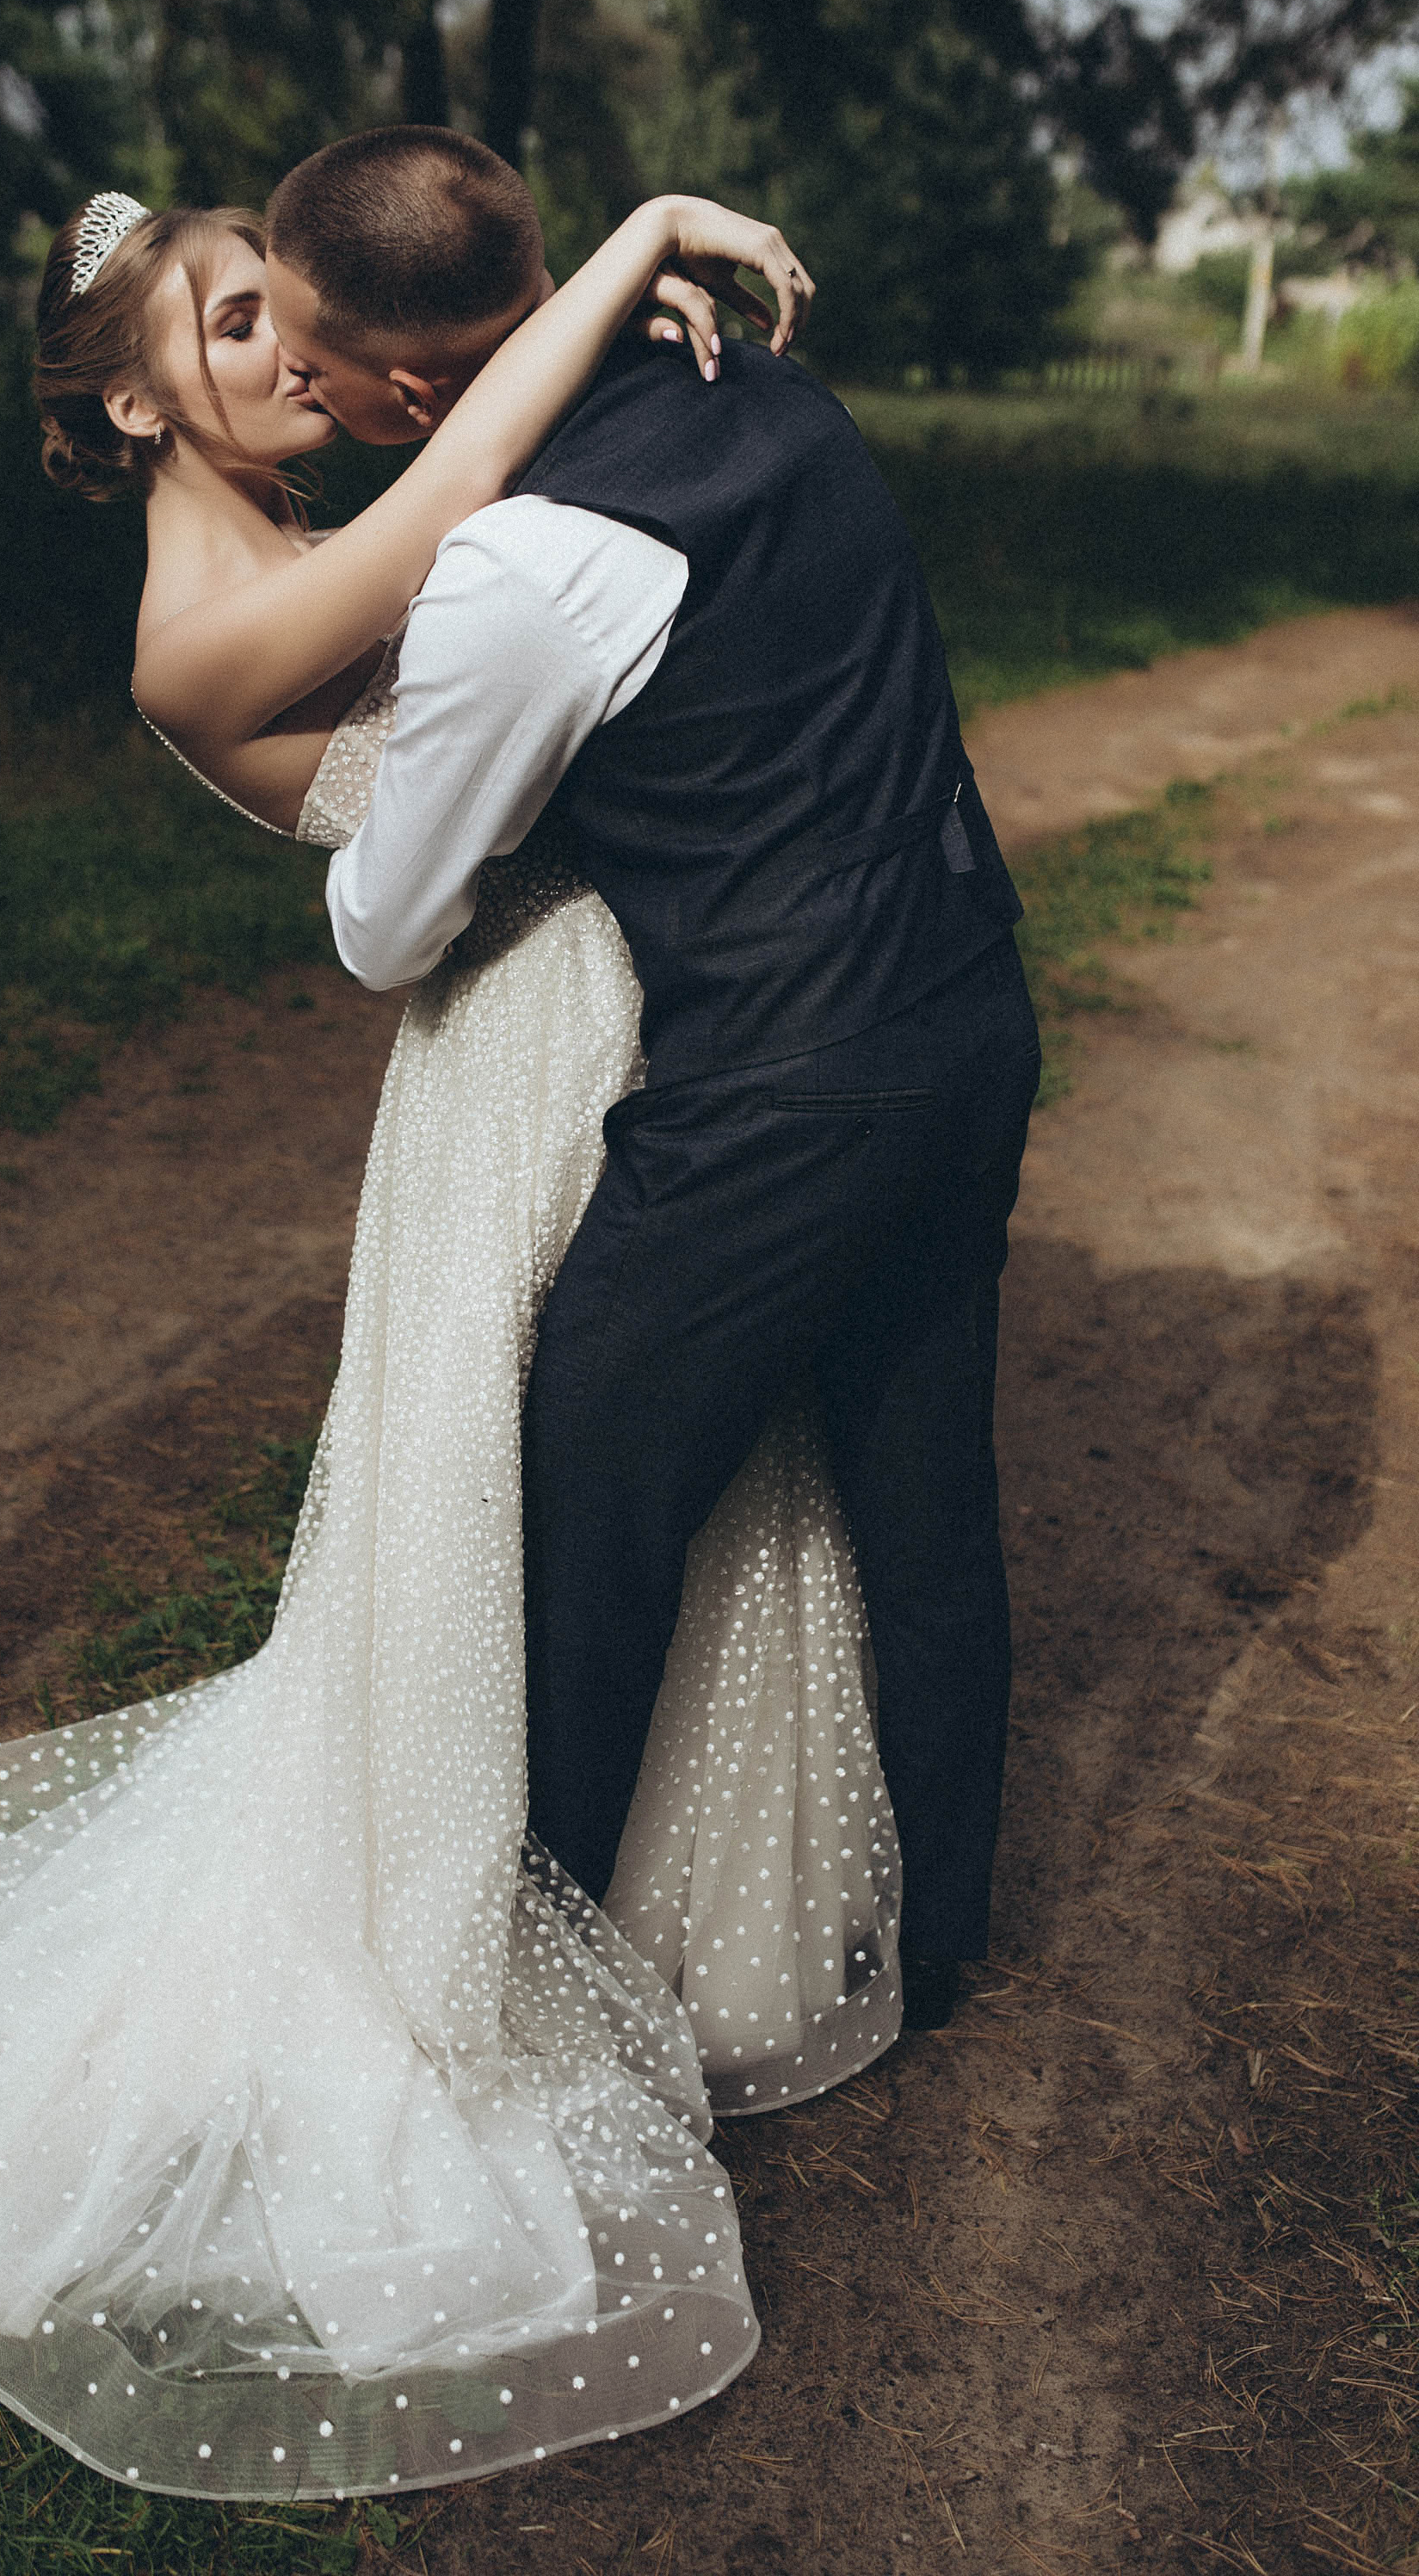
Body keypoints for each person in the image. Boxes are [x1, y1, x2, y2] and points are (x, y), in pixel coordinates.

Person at [0, 160, 902, 2509]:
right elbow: (472, 466)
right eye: (236, 336)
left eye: (282, 314)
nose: (292, 361)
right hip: (512, 1044)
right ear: (135, 401)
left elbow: (464, 422)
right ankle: (466, 1936)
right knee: (518, 1481)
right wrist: (646, 227)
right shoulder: (195, 629)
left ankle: (646, 1893)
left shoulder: (278, 520)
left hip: (607, 993)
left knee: (646, 1461)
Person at [263, 126, 1040, 2035]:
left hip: (779, 1089)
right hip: (968, 1009)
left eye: (313, 352)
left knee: (577, 1497)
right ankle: (927, 1932)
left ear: (411, 386)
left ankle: (521, 1989)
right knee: (925, 1489)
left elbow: (389, 927)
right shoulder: (757, 384)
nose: (297, 382)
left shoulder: (525, 568)